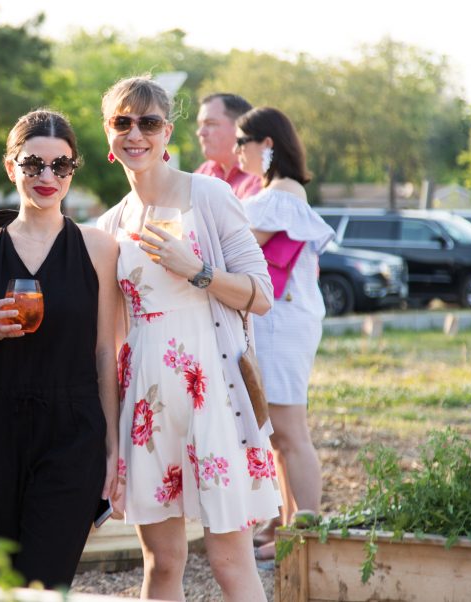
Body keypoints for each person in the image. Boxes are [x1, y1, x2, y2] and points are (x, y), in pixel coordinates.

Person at [98, 76, 280, 602]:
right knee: (161, 564)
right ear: (108, 132)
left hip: (213, 395)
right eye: (123, 122)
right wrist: (110, 438)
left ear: (167, 132)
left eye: (148, 122)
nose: (136, 133)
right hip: (148, 405)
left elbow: (261, 295)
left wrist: (196, 269)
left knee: (230, 563)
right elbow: (111, 340)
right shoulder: (111, 224)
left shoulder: (209, 195)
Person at [0, 109, 121, 589]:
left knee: (45, 583)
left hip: (72, 431)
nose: (47, 177)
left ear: (73, 170)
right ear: (12, 167)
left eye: (60, 165)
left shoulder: (99, 248)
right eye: (33, 164)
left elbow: (104, 352)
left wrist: (112, 446)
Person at [234, 107, 335, 562]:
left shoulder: (279, 198)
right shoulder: (281, 195)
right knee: (279, 434)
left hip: (282, 322)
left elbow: (233, 242)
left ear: (267, 144)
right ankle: (290, 527)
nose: (238, 151)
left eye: (242, 141)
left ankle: (305, 534)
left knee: (291, 431)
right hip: (284, 319)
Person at [195, 93, 261, 199]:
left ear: (240, 127)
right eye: (200, 125)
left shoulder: (261, 175)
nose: (200, 132)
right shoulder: (205, 171)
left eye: (210, 123)